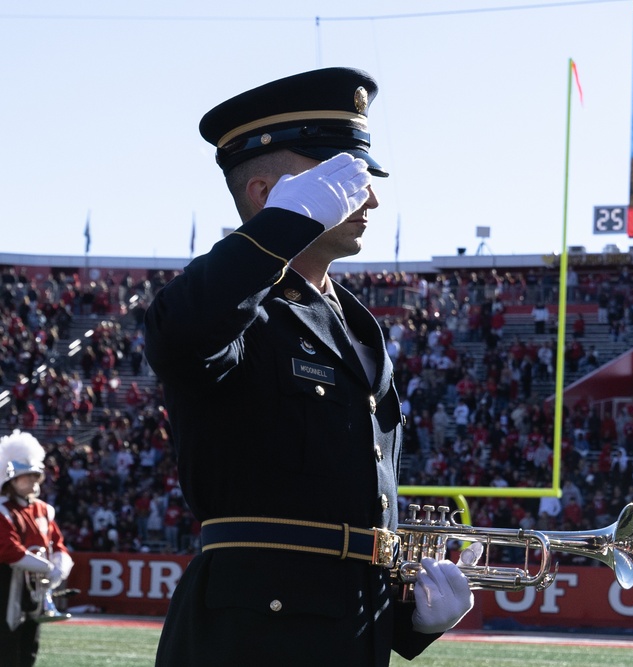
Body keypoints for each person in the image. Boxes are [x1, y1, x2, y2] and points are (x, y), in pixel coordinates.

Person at [144, 68, 473, 667]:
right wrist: (280, 230)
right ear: (267, 193)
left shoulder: (356, 322)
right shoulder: (234, 307)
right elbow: (180, 332)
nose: (368, 198)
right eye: (342, 178)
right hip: (250, 639)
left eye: (366, 178)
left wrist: (410, 618)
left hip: (348, 637)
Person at [0, 430, 74, 666]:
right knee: (7, 644)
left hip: (35, 590)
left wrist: (59, 568)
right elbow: (8, 550)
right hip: (6, 585)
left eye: (35, 475)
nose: (33, 480)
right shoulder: (3, 510)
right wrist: (47, 566)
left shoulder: (44, 509)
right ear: (10, 480)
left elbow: (58, 543)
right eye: (26, 476)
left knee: (30, 647)